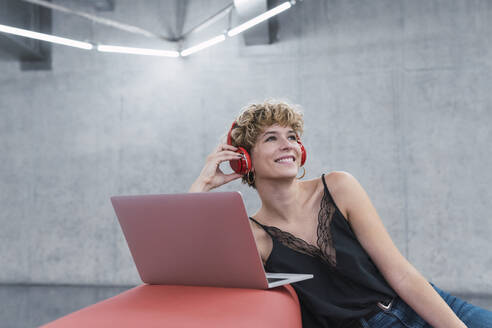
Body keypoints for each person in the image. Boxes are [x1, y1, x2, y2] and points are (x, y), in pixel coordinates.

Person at [188, 100, 492, 328]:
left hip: (423, 304)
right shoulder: (254, 236)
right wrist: (201, 186)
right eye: (271, 138)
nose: (288, 145)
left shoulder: (339, 186)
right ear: (244, 160)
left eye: (292, 136)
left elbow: (400, 273)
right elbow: (184, 266)